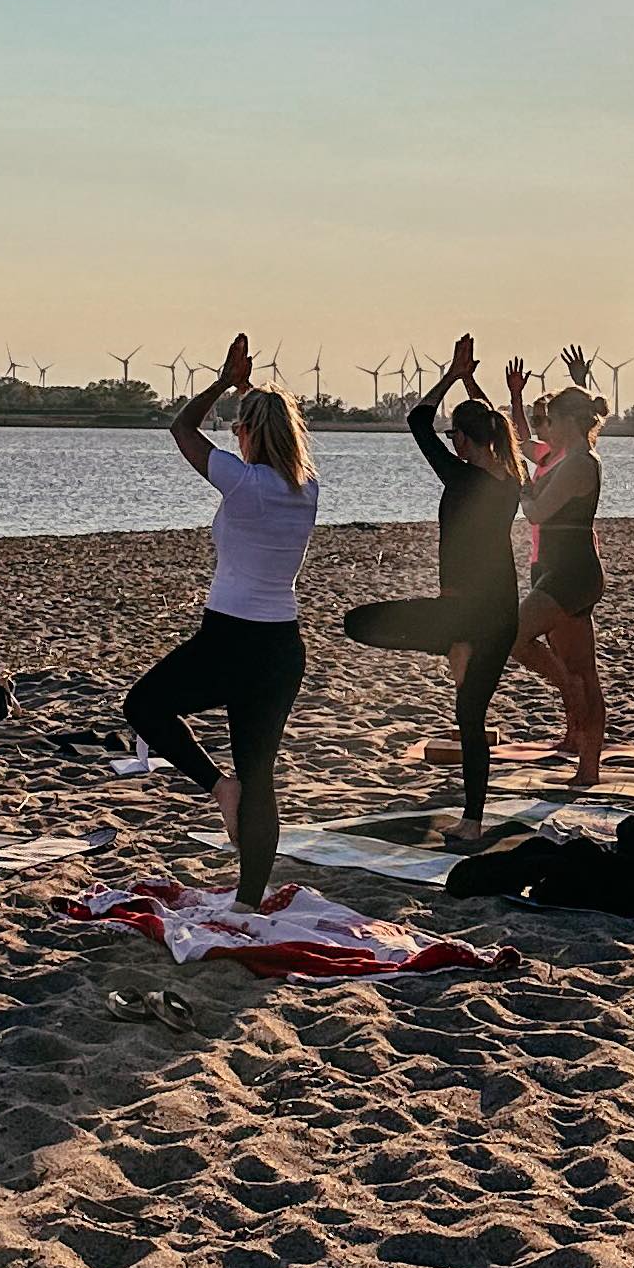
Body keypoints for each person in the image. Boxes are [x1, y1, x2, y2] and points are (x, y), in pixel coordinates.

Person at [122, 335, 319, 908]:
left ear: (251, 433)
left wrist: (222, 382)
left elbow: (182, 428)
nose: (234, 435)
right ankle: (247, 900)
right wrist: (247, 391)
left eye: (239, 427)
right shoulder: (306, 489)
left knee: (144, 706)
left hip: (230, 637)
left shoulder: (246, 482)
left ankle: (217, 788)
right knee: (260, 774)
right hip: (281, 645)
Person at [343, 335, 523, 844]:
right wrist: (468, 380)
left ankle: (448, 642)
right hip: (501, 612)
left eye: (455, 437)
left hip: (465, 613)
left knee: (358, 623)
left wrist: (449, 374)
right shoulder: (509, 477)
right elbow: (489, 426)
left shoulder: (462, 479)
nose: (450, 443)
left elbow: (417, 421)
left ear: (463, 442)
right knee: (470, 714)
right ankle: (471, 819)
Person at [511, 346, 609, 786]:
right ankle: (587, 768)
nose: (544, 424)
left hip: (572, 573)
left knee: (513, 635)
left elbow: (537, 513)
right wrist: (579, 376)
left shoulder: (581, 463)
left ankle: (566, 689)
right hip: (559, 570)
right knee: (584, 670)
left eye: (551, 415)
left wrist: (514, 483)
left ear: (567, 421)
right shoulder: (565, 456)